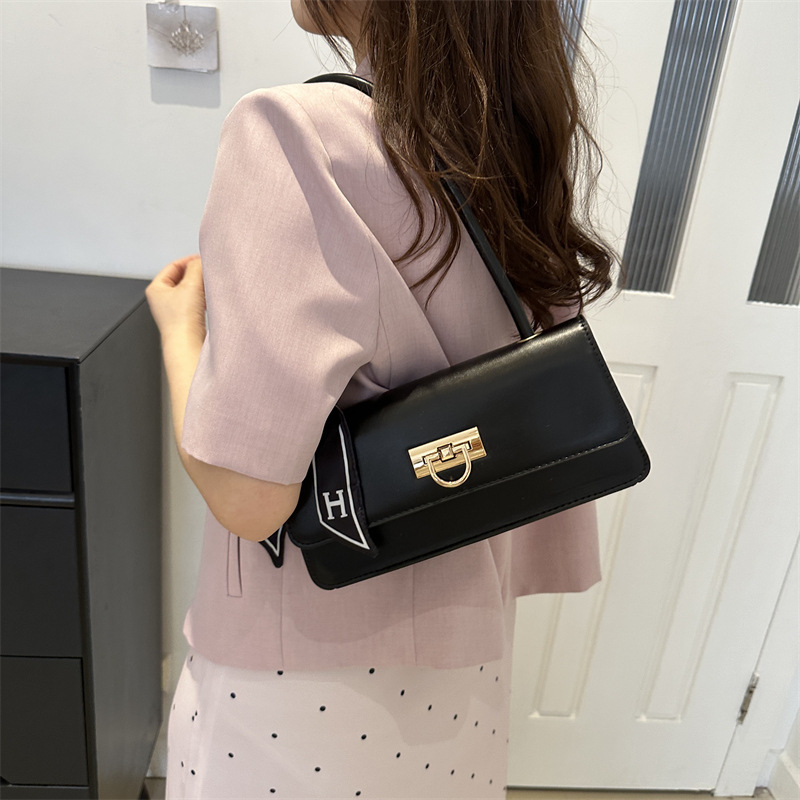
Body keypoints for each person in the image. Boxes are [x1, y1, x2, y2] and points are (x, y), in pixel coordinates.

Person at [145, 1, 617, 797]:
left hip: (302, 685)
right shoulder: (514, 146)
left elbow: (247, 496)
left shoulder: (295, 135)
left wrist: (177, 331)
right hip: (464, 670)